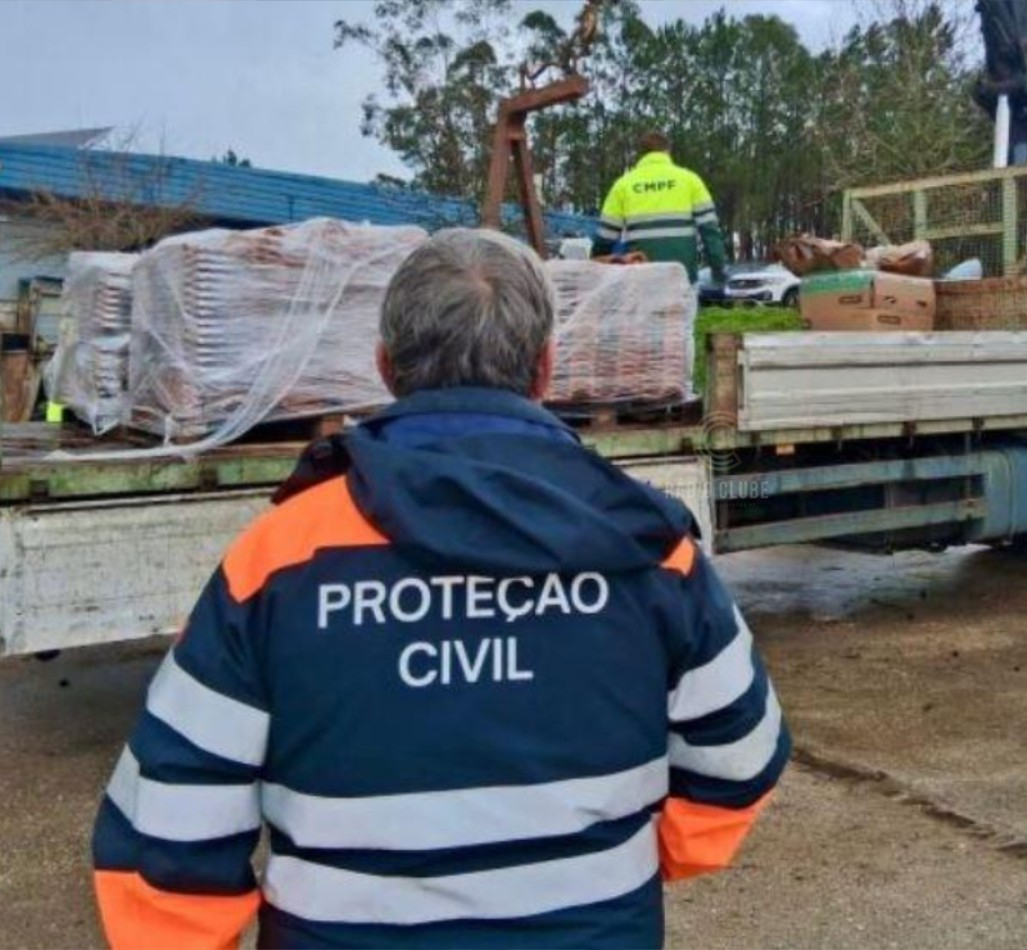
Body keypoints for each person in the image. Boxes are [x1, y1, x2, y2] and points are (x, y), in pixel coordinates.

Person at [91, 229, 789, 949]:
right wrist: (634, 865)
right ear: (544, 369)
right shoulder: (649, 547)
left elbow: (172, 812)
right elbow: (740, 752)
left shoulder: (279, 556)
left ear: (385, 367)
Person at [593, 131, 728, 284]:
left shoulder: (623, 185)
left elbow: (605, 238)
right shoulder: (690, 180)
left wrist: (595, 267)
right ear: (667, 151)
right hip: (682, 277)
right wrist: (719, 271)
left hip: (640, 278)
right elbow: (710, 232)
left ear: (641, 154)